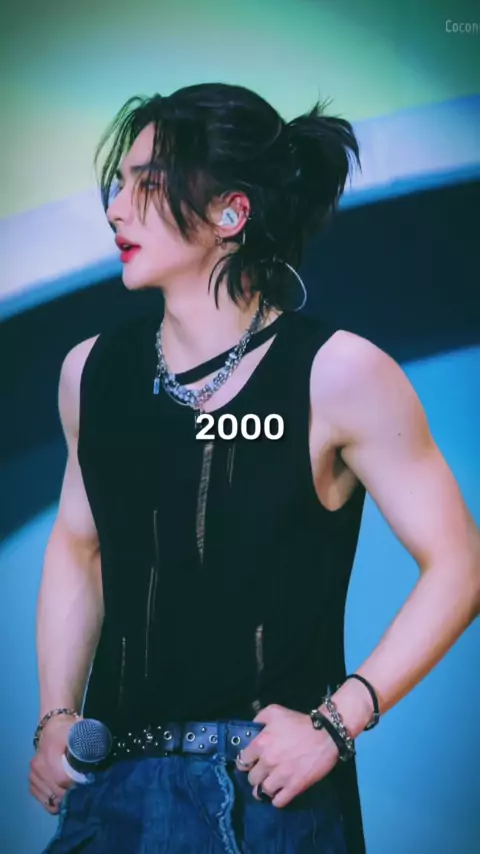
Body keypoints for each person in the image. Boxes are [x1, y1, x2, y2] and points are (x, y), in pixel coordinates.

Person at [30, 83, 479, 854]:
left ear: (230, 214)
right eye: (118, 184)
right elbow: (79, 545)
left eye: (146, 185)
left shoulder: (339, 373)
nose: (115, 210)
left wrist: (338, 721)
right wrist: (54, 714)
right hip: (111, 793)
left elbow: (460, 564)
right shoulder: (90, 373)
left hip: (264, 794)